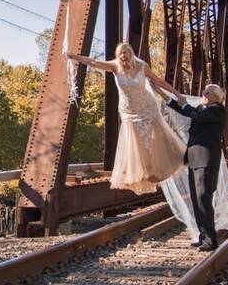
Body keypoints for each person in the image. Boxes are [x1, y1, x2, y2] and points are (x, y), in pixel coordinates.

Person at [66, 43, 186, 194]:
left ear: (130, 53)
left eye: (125, 53)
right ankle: (143, 174)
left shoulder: (142, 66)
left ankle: (166, 166)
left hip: (147, 106)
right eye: (120, 54)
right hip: (129, 111)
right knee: (135, 143)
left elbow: (159, 81)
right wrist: (74, 56)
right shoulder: (115, 66)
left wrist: (177, 94)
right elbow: (93, 62)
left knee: (156, 140)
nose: (123, 56)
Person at [167, 84, 227, 251]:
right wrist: (168, 100)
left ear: (217, 96)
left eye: (207, 92)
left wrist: (184, 103)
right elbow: (187, 112)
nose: (204, 94)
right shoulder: (203, 109)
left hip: (206, 160)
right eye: (204, 92)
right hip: (195, 159)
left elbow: (195, 115)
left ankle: (210, 240)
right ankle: (203, 236)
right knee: (196, 199)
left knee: (203, 198)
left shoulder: (217, 110)